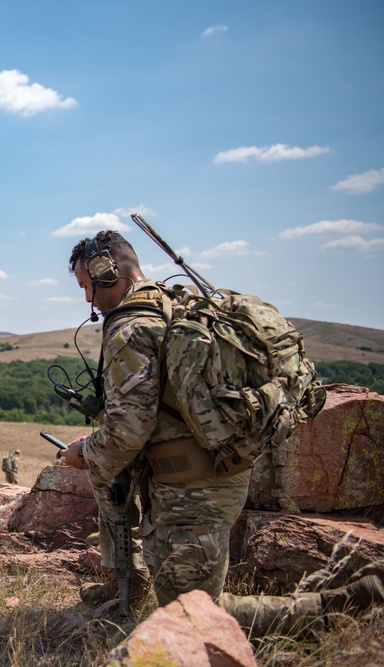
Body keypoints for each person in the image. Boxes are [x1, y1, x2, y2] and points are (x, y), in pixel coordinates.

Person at [55, 230, 384, 630]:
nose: (88, 300)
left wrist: (86, 452)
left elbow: (127, 430)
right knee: (182, 597)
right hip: (213, 471)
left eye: (87, 286)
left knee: (191, 618)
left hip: (194, 489)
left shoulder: (130, 329)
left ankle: (345, 606)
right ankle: (134, 582)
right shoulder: (173, 303)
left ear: (107, 271)